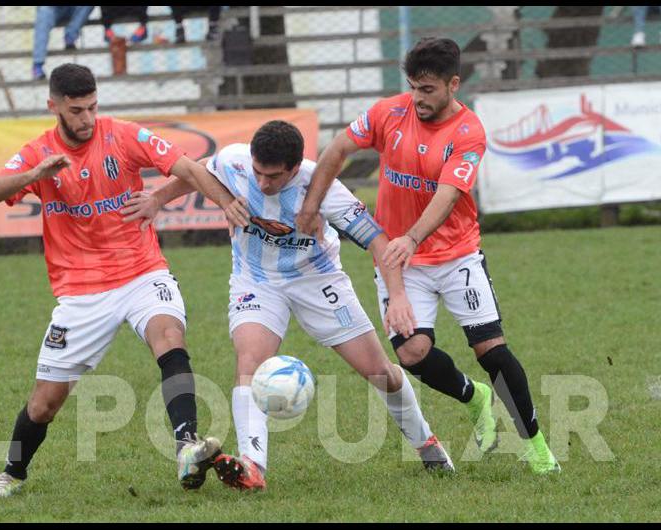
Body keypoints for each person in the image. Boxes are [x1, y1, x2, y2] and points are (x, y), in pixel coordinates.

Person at [121, 120, 454, 491]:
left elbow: (378, 242)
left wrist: (398, 298)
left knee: (379, 372)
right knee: (249, 362)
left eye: (274, 177)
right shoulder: (234, 162)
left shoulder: (322, 188)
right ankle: (252, 465)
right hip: (256, 280)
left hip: (318, 281)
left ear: (295, 168)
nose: (263, 183)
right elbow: (198, 174)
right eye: (258, 173)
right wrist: (157, 199)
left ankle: (427, 444)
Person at [0, 64, 248, 499]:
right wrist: (34, 176)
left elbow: (188, 167)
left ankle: (186, 444)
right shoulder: (39, 153)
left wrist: (226, 203)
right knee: (45, 402)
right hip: (81, 292)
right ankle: (11, 471)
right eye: (76, 110)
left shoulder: (123, 135)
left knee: (169, 335)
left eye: (92, 107)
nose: (86, 118)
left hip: (142, 271)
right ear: (54, 107)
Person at [295, 38, 560, 475]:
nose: (418, 97)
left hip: (457, 255)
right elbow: (336, 151)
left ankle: (536, 448)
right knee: (413, 353)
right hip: (402, 261)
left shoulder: (468, 131)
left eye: (429, 89)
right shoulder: (388, 112)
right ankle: (473, 397)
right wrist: (310, 208)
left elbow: (448, 194)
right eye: (414, 87)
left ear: (453, 85)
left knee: (491, 350)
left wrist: (413, 238)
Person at [32, 6, 94, 80]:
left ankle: (70, 36)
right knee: (43, 12)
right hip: (51, 9)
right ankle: (38, 64)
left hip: (73, 9)